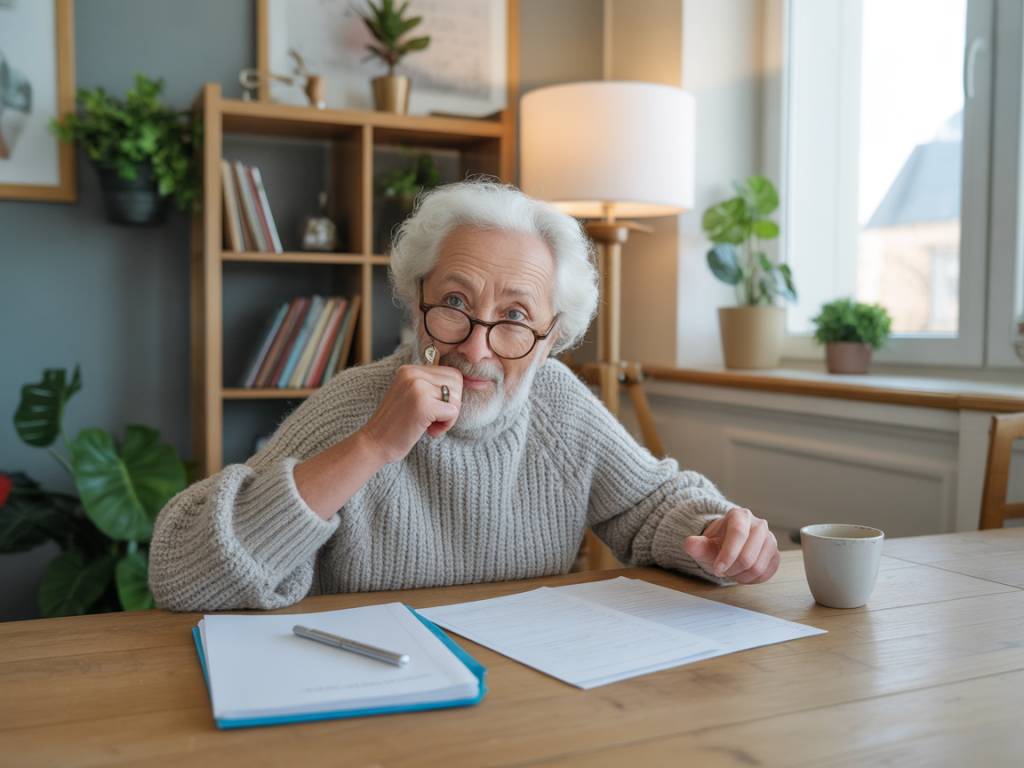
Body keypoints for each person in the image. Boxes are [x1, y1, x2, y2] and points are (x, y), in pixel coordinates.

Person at [148, 181, 780, 611]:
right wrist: (373, 445)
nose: (476, 349)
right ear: (415, 300)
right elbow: (181, 576)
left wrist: (718, 533)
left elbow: (651, 507)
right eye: (454, 302)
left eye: (515, 317)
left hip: (525, 698)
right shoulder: (356, 405)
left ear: (551, 338)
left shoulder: (556, 404)